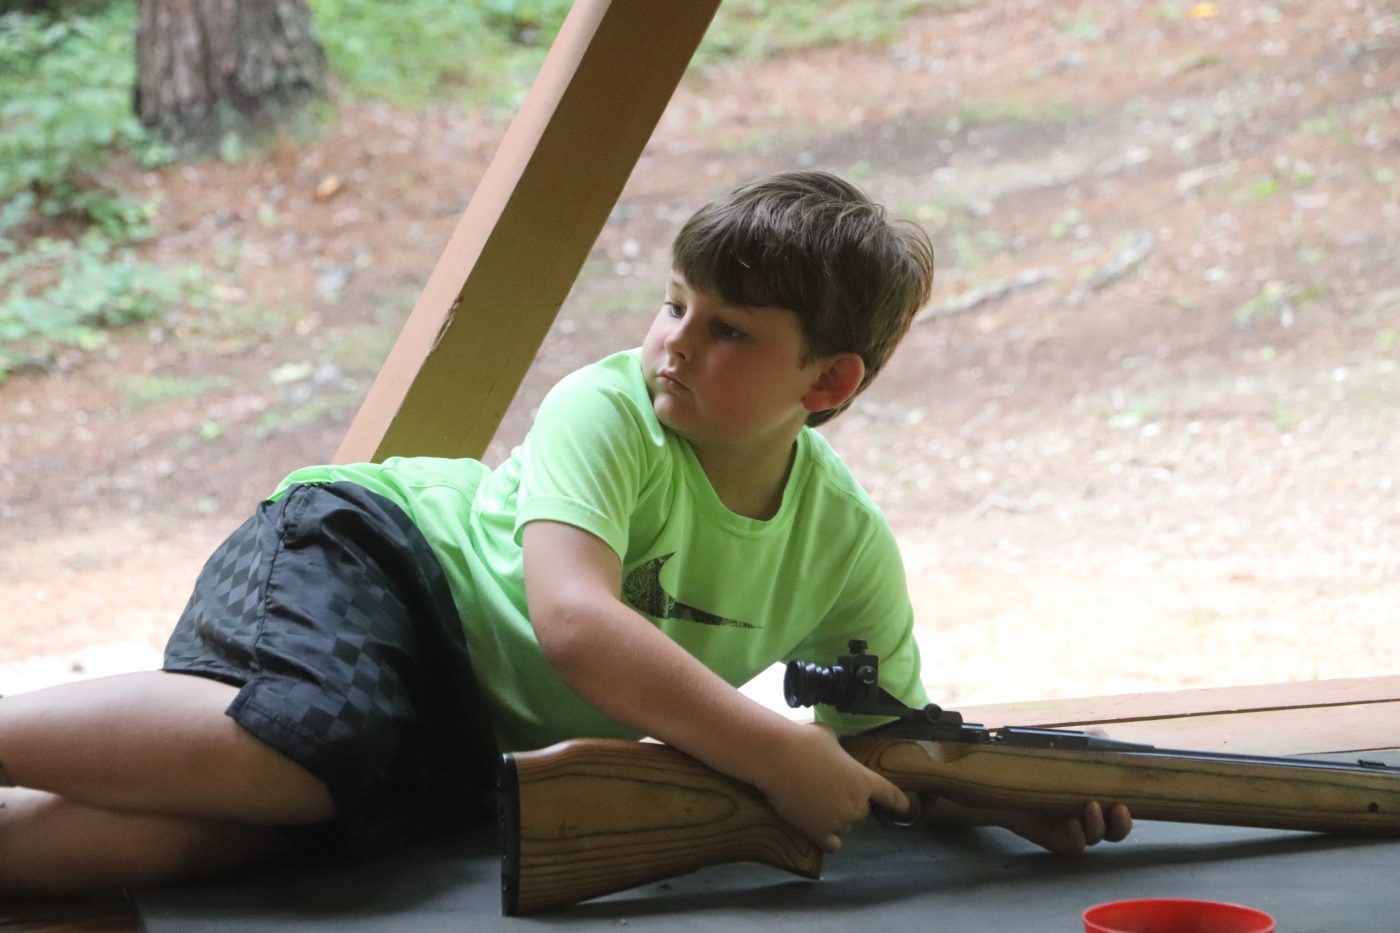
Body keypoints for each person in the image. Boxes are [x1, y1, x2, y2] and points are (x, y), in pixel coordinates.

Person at [0, 171, 1129, 896]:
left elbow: (881, 736)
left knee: (257, 835)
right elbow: (575, 623)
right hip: (377, 558)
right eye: (674, 303)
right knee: (311, 746)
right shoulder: (610, 408)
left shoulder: (842, 547)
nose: (674, 342)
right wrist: (773, 748)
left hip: (453, 718)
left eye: (728, 330)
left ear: (827, 382)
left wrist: (997, 795)